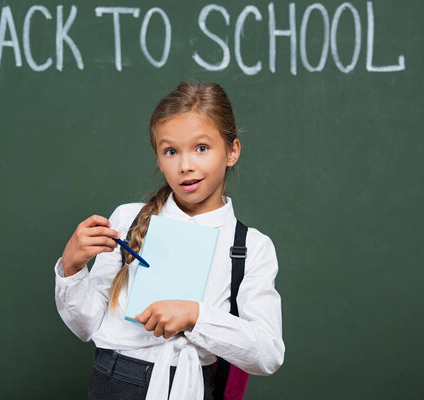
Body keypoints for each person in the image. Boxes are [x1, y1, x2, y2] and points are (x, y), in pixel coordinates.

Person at [54, 81, 285, 400]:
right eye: (170, 151)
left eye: (201, 148)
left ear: (232, 151)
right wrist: (72, 267)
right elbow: (89, 325)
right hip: (115, 380)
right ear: (158, 158)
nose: (185, 165)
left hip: (191, 385)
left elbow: (268, 353)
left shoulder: (250, 248)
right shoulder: (128, 219)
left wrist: (196, 315)